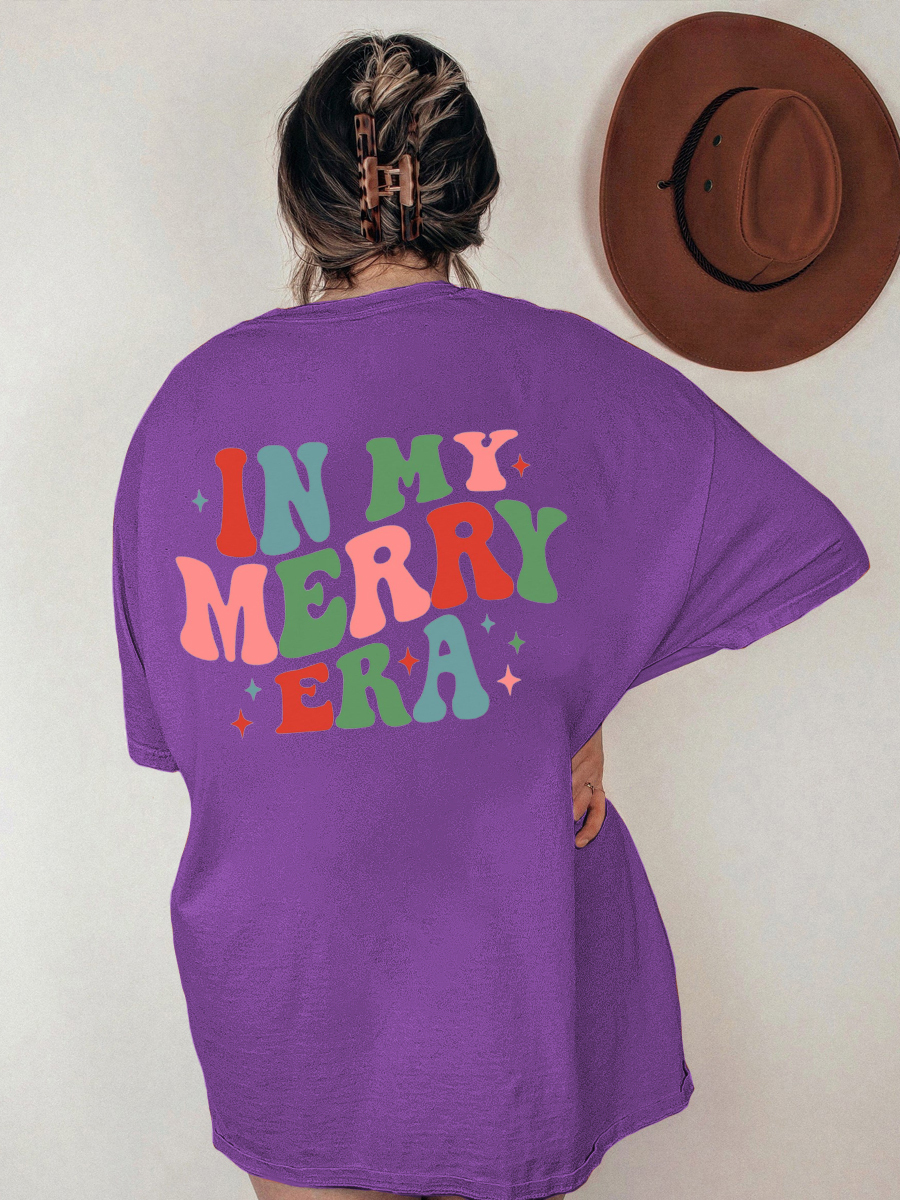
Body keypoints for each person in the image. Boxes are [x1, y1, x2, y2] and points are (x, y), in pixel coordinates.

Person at [112, 32, 870, 1200]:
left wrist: (569, 694)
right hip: (498, 965)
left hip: (285, 972)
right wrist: (576, 693)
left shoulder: (189, 408)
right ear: (475, 194)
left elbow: (193, 726)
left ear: (302, 201)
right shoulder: (571, 374)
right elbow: (788, 537)